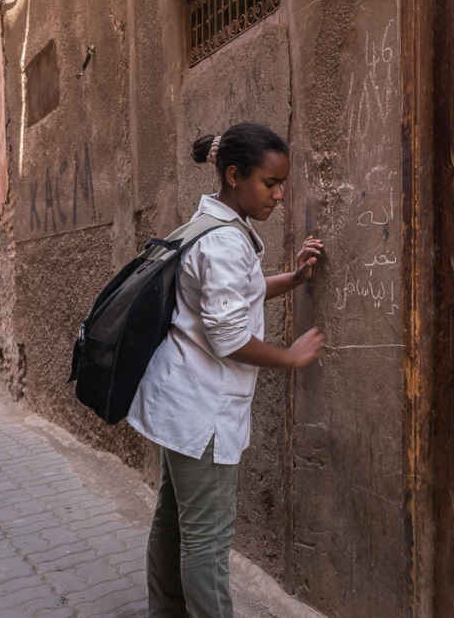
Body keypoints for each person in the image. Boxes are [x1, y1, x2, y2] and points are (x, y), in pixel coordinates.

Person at [126, 122, 324, 618]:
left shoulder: (208, 226)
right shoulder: (224, 242)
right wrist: (290, 356)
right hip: (202, 414)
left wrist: (293, 278)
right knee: (207, 543)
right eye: (270, 183)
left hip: (181, 405)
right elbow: (229, 336)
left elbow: (233, 297)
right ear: (234, 175)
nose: (279, 195)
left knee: (174, 523)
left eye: (282, 184)